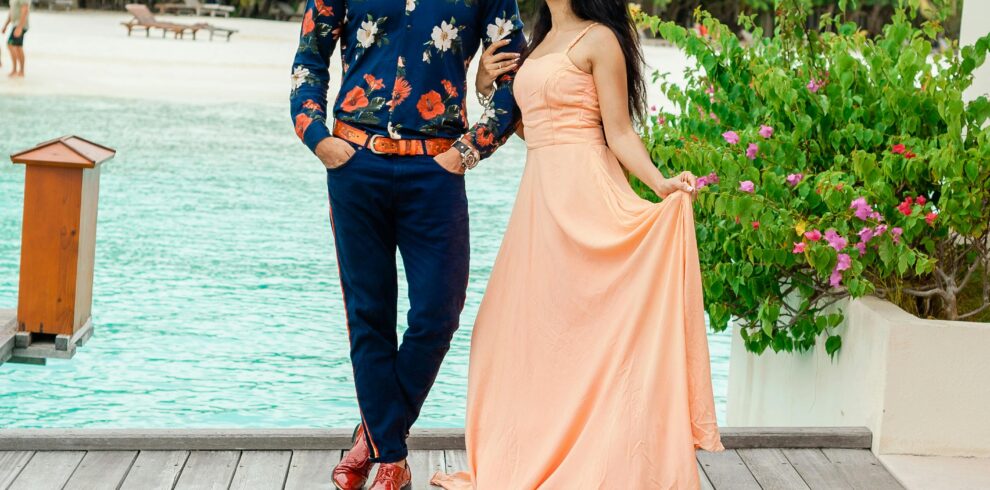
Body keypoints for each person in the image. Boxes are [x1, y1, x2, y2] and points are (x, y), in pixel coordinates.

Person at [430, 0, 724, 488]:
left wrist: (660, 184)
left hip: (590, 196)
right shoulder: (536, 41)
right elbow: (531, 127)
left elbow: (620, 133)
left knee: (588, 335)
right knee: (511, 335)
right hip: (541, 204)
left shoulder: (599, 39)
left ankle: (603, 461)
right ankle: (528, 457)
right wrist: (483, 84)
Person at [288, 0, 525, 488]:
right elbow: (310, 59)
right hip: (356, 163)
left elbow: (514, 82)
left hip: (436, 170)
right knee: (368, 314)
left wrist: (468, 151)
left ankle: (373, 437)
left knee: (439, 312)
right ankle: (391, 459)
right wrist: (318, 138)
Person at [2, 0, 30, 78]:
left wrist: (20, 27)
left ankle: (19, 70)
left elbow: (25, 10)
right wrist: (5, 26)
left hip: (21, 25)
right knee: (17, 46)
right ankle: (17, 70)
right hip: (15, 24)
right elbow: (11, 13)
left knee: (11, 44)